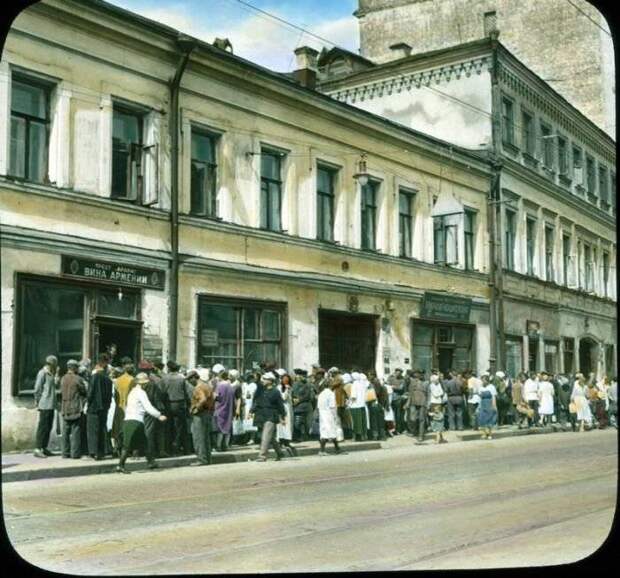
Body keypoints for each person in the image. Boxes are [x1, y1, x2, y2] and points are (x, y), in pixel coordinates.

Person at [117, 373, 167, 473]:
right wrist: (159, 415)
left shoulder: (132, 392)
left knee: (143, 443)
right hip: (136, 421)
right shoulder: (141, 393)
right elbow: (148, 407)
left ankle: (150, 462)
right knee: (128, 445)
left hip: (128, 420)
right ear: (143, 384)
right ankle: (120, 465)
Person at [250, 372, 286, 462]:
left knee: (265, 436)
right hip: (261, 415)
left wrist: (283, 417)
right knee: (270, 437)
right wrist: (251, 411)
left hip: (271, 416)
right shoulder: (261, 390)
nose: (263, 380)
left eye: (265, 379)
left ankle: (262, 456)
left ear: (270, 381)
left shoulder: (276, 392)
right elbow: (257, 401)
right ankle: (280, 453)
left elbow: (280, 405)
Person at [33, 355, 61, 458]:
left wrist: (57, 374)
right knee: (43, 427)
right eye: (54, 364)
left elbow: (56, 384)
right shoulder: (42, 373)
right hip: (44, 404)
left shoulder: (52, 374)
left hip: (51, 404)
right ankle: (37, 448)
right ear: (51, 364)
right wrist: (38, 400)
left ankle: (44, 447)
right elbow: (37, 388)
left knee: (48, 426)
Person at [87, 353, 113, 460]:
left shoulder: (94, 377)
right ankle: (102, 451)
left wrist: (88, 403)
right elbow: (109, 396)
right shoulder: (108, 379)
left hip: (93, 407)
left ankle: (93, 452)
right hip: (104, 408)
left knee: (93, 429)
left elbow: (90, 393)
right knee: (102, 428)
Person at [160, 360, 190, 455]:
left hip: (168, 404)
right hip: (180, 404)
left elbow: (162, 392)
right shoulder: (182, 379)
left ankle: (169, 448)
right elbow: (186, 393)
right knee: (180, 427)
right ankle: (178, 448)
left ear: (168, 368)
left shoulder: (164, 378)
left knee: (168, 427)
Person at [140, 360, 167, 459]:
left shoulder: (141, 380)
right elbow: (163, 393)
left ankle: (149, 452)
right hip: (158, 407)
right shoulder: (157, 379)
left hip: (148, 409)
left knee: (148, 431)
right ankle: (161, 451)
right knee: (159, 431)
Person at [60, 359, 87, 459]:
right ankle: (75, 453)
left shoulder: (63, 378)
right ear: (74, 368)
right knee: (76, 431)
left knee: (65, 432)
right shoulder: (77, 379)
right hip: (75, 406)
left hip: (65, 407)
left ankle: (65, 453)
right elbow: (84, 391)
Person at [190, 368, 215, 466]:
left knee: (198, 437)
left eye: (189, 380)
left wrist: (196, 408)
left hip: (200, 414)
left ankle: (201, 459)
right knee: (205, 437)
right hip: (208, 413)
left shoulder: (198, 387)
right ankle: (207, 458)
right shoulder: (207, 385)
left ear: (193, 378)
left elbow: (203, 399)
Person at [317, 379, 345, 455]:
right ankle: (333, 449)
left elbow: (318, 407)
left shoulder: (321, 394)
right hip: (329, 414)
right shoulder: (330, 394)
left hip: (322, 414)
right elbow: (332, 407)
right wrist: (335, 416)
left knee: (324, 432)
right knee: (331, 431)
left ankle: (333, 449)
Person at [213, 370, 235, 451]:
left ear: (220, 376)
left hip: (220, 409)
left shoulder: (220, 386)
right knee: (227, 428)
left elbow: (216, 397)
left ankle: (218, 446)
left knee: (220, 429)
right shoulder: (230, 386)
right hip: (229, 410)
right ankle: (226, 445)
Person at [405, 370, 428, 443]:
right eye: (415, 377)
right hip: (413, 403)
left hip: (422, 403)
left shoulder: (425, 383)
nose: (416, 378)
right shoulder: (411, 384)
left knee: (422, 419)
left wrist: (428, 403)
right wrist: (407, 403)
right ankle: (414, 431)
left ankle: (420, 435)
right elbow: (410, 394)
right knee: (413, 419)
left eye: (417, 376)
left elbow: (428, 394)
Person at [292, 369, 313, 442]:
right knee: (298, 422)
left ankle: (303, 436)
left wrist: (298, 400)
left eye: (298, 375)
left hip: (303, 406)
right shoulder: (294, 384)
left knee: (302, 422)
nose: (297, 376)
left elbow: (308, 396)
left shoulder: (307, 384)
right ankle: (298, 436)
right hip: (297, 406)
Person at [349, 372, 368, 442]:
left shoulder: (354, 384)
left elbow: (353, 396)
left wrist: (349, 403)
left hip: (355, 406)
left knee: (356, 422)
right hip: (362, 405)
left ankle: (356, 437)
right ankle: (363, 436)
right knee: (362, 422)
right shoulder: (363, 384)